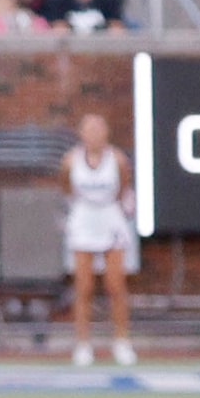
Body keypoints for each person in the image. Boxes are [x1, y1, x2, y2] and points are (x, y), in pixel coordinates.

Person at [64, 111, 138, 364]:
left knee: (115, 285)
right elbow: (66, 188)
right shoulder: (70, 161)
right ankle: (83, 345)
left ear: (107, 133)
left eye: (99, 129)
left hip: (110, 218)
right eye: (89, 129)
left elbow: (123, 188)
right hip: (84, 219)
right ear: (81, 134)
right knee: (83, 287)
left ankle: (121, 341)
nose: (94, 135)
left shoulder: (117, 159)